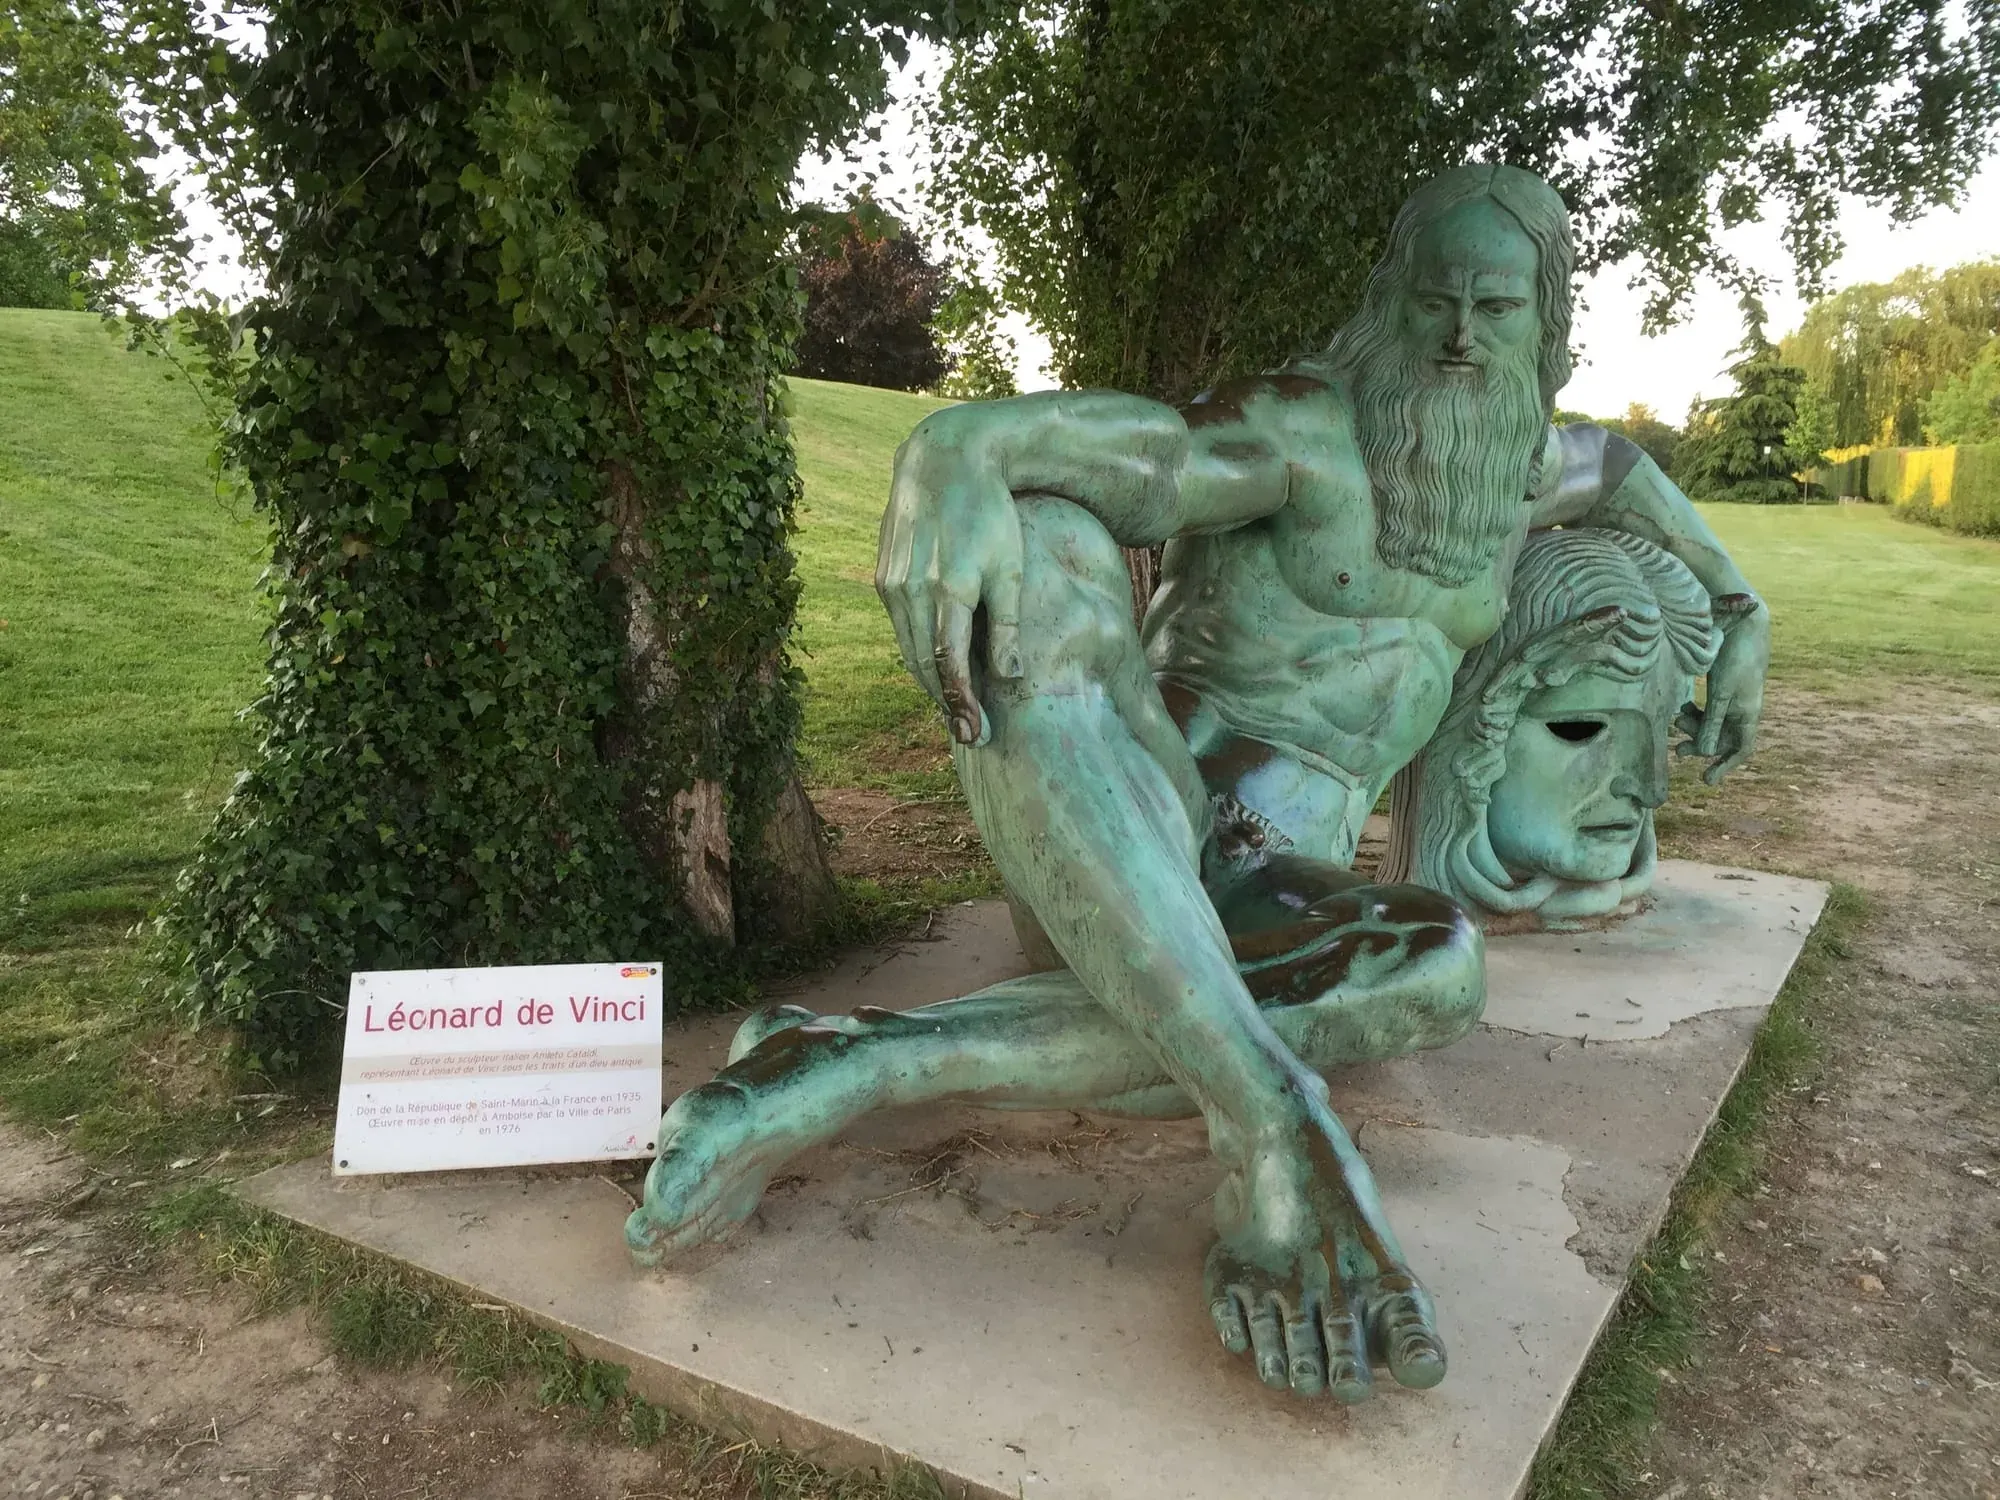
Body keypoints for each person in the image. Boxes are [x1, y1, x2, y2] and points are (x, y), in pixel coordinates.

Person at [625, 163, 1768, 1404]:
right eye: (1434, 298)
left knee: (1437, 966)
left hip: (1284, 886)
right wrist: (963, 442)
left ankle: (853, 1060)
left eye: (1493, 310)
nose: (1456, 335)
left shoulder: (1529, 468)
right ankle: (1270, 1114)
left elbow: (1630, 471)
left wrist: (1736, 600)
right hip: (1135, 822)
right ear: (1388, 297)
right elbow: (1157, 457)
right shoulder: (1302, 429)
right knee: (1052, 539)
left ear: (1540, 325)